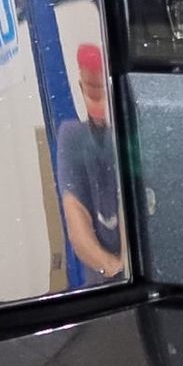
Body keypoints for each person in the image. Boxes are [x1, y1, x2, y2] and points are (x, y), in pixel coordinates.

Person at [54, 41, 122, 279]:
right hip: (104, 283)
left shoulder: (132, 133)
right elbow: (77, 222)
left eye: (103, 90)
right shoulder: (73, 137)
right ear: (81, 87)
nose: (99, 101)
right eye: (93, 90)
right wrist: (115, 269)